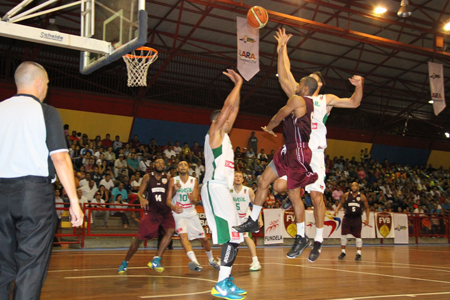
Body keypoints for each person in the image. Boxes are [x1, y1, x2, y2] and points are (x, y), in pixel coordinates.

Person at [269, 28, 364, 262]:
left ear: (317, 83)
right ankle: (301, 236)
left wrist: (360, 84)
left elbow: (353, 103)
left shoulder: (325, 100)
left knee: (317, 198)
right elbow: (284, 74)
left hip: (315, 154)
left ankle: (318, 241)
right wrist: (282, 48)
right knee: (285, 189)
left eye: (311, 77)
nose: (303, 80)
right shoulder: (298, 97)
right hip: (297, 152)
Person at [0, 61, 83, 299]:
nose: (46, 88)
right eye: (46, 84)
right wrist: (74, 202)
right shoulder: (46, 111)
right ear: (39, 83)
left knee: (2, 266)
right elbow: (60, 158)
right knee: (31, 266)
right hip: (32, 194)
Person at [232, 75, 319, 262]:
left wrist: (269, 127)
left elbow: (279, 115)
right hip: (287, 149)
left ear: (305, 89)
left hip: (298, 152)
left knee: (294, 195)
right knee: (263, 181)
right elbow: (285, 78)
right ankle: (253, 220)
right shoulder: (303, 102)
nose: (296, 85)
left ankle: (302, 236)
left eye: (300, 83)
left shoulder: (298, 100)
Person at [200, 69, 246, 300]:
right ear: (217, 121)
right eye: (225, 118)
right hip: (214, 187)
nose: (230, 120)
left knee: (235, 237)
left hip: (222, 190)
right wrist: (236, 85)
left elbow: (234, 108)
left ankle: (226, 280)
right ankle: (221, 285)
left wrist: (241, 86)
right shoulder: (213, 133)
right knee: (232, 237)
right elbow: (228, 107)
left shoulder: (226, 136)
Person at [117, 159, 175, 274]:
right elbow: (139, 192)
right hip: (152, 211)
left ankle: (156, 259)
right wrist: (142, 198)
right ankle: (125, 262)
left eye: (162, 163)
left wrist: (175, 191)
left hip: (165, 211)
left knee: (171, 230)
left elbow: (170, 195)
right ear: (154, 165)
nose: (160, 165)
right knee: (139, 239)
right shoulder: (147, 177)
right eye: (158, 163)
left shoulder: (168, 178)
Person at [167, 161, 220, 272]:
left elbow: (195, 201)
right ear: (177, 169)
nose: (182, 166)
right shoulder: (173, 180)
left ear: (188, 168)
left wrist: (193, 199)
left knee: (204, 239)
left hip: (191, 213)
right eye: (180, 165)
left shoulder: (193, 180)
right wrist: (172, 205)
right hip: (178, 213)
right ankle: (195, 262)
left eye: (185, 165)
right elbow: (167, 200)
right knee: (183, 237)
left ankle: (211, 260)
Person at [231, 171, 262, 271]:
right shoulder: (229, 190)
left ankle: (255, 261)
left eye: (240, 176)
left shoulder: (248, 190)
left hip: (245, 218)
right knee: (228, 239)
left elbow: (256, 204)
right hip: (234, 219)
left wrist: (259, 218)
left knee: (246, 237)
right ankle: (224, 259)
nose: (238, 178)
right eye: (236, 176)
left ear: (243, 179)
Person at [334, 182, 370, 261]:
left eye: (355, 185)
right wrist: (337, 209)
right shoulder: (346, 195)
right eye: (352, 185)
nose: (353, 187)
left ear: (358, 187)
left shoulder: (362, 197)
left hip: (357, 218)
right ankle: (343, 252)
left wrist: (367, 218)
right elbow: (341, 203)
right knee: (343, 235)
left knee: (358, 236)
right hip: (347, 218)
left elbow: (367, 208)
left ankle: (359, 253)